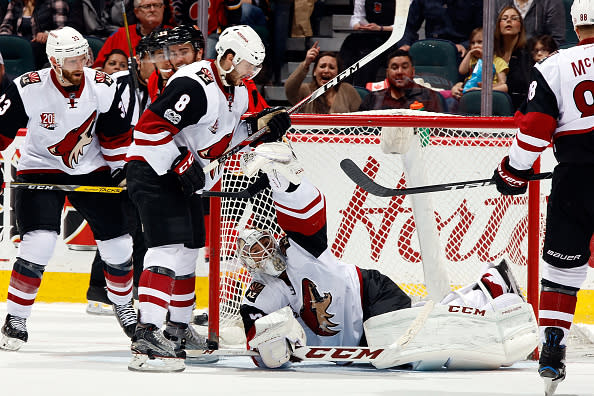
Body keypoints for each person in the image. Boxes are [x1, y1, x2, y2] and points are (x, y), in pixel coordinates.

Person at [236, 141, 538, 370]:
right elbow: (255, 333)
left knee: (414, 355)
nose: (263, 253)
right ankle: (481, 288)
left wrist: (283, 180)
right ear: (248, 264)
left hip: (370, 294)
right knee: (409, 342)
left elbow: (307, 213)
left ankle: (489, 292)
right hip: (354, 342)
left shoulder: (298, 251)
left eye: (264, 243)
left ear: (273, 240)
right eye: (254, 253)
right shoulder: (263, 290)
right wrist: (269, 349)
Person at [124, 25, 291, 372]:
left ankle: (178, 330)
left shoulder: (240, 92)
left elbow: (223, 142)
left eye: (255, 68)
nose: (251, 73)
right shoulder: (193, 83)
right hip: (154, 169)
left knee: (187, 253)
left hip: (185, 176)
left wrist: (260, 128)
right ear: (227, 57)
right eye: (247, 65)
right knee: (166, 248)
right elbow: (149, 129)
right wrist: (182, 163)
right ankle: (147, 335)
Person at [0, 27, 137, 351]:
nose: (80, 65)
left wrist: (122, 173)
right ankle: (15, 318)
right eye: (71, 60)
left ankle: (124, 306)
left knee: (119, 244)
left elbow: (116, 138)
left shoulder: (102, 86)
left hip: (91, 169)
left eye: (82, 58)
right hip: (39, 169)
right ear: (54, 61)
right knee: (40, 243)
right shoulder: (27, 88)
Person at [492, 1, 594, 394]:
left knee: (562, 272)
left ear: (574, 22)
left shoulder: (554, 66)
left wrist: (513, 171)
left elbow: (534, 131)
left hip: (574, 181)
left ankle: (553, 344)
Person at [92, 0, 173, 69]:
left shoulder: (174, 34)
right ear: (136, 12)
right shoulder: (120, 34)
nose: (152, 9)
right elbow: (98, 68)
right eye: (147, 6)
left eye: (157, 5)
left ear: (163, 8)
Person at [285, 41, 361, 114]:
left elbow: (361, 116)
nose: (326, 70)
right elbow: (289, 88)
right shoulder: (305, 91)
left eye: (331, 67)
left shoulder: (348, 90)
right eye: (322, 66)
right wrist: (306, 64)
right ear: (314, 71)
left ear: (338, 73)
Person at [359, 49, 444, 112]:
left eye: (404, 67)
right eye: (394, 68)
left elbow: (437, 132)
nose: (400, 72)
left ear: (413, 72)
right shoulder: (373, 98)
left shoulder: (429, 97)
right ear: (387, 73)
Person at [398, 0, 484, 57]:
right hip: (430, 50)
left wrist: (465, 45)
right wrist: (405, 44)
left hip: (461, 53)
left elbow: (483, 30)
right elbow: (409, 26)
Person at [0, 0, 70, 69]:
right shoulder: (15, 3)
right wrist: (6, 41)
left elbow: (62, 30)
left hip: (41, 47)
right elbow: (6, 26)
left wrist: (48, 34)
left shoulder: (55, 2)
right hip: (18, 47)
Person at [171, 0, 242, 60]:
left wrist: (229, 32)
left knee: (207, 54)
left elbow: (234, 13)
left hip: (214, 33)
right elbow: (177, 21)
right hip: (190, 36)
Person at [451, 27, 509, 101]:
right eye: (472, 43)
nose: (475, 46)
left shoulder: (498, 61)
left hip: (487, 91)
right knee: (455, 88)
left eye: (480, 42)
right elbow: (462, 71)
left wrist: (484, 89)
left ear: (492, 44)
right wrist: (469, 53)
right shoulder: (473, 59)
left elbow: (502, 83)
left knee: (504, 87)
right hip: (469, 89)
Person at [494, 6, 532, 110]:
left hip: (518, 107)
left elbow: (519, 85)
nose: (509, 21)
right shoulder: (491, 52)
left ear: (520, 27)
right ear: (499, 25)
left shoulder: (526, 53)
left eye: (514, 18)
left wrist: (482, 91)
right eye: (504, 18)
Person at [494, 0, 566, 48]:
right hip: (504, 59)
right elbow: (492, 37)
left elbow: (557, 41)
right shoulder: (498, 2)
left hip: (538, 62)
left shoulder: (551, 2)